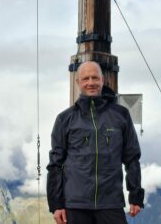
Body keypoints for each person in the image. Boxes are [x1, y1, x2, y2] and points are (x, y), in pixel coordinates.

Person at [47, 61, 144, 224]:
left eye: (94, 78)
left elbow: (132, 157)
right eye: (85, 79)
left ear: (102, 80)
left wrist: (135, 196)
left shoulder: (121, 115)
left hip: (111, 203)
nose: (90, 82)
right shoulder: (65, 119)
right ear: (77, 82)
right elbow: (56, 164)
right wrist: (56, 204)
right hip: (76, 205)